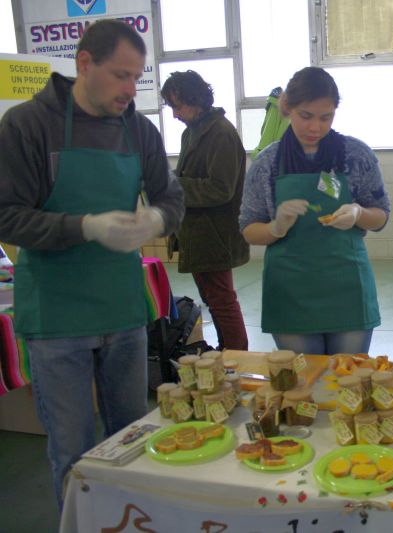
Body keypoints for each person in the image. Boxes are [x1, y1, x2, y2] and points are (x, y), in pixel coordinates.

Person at [0, 20, 184, 507]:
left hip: (122, 311)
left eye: (137, 77)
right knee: (73, 450)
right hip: (57, 318)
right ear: (84, 64)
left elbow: (172, 197)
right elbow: (6, 215)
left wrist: (158, 218)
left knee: (131, 439)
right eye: (121, 75)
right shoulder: (27, 126)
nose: (131, 89)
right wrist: (84, 227)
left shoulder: (138, 129)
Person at [239, 66, 390, 355]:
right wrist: (274, 228)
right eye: (305, 116)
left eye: (326, 117)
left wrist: (358, 213)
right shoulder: (267, 163)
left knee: (349, 377)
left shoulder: (356, 155)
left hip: (347, 289)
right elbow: (248, 228)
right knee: (304, 379)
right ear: (288, 109)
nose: (315, 128)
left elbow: (381, 215)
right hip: (290, 293)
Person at [161, 70, 249, 351]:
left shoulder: (220, 133)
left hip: (215, 233)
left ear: (196, 100)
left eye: (178, 106)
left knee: (222, 301)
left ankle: (236, 359)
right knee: (213, 299)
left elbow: (220, 189)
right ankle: (226, 355)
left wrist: (173, 184)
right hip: (198, 232)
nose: (175, 114)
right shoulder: (192, 132)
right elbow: (190, 177)